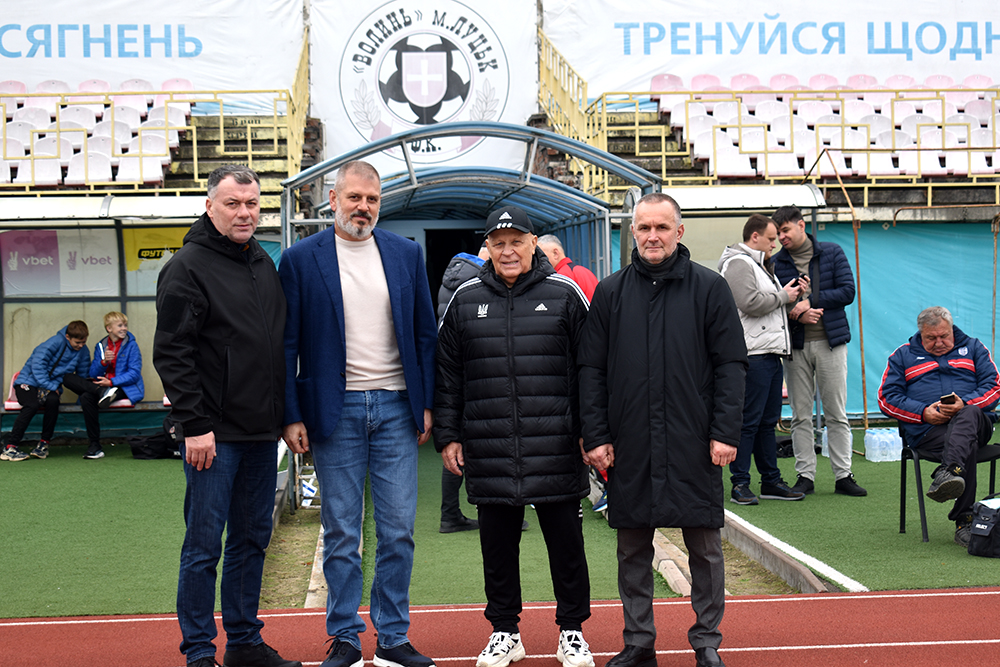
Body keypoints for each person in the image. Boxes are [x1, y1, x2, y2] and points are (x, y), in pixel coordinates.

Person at [279, 160, 437, 667]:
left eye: (372, 199)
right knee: (342, 532)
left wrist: (425, 403)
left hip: (396, 407)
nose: (363, 207)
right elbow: (286, 345)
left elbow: (424, 334)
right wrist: (291, 414)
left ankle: (392, 637)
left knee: (398, 531)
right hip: (335, 410)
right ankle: (345, 636)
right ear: (333, 199)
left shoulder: (406, 253)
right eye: (354, 198)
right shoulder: (300, 259)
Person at [579, 193, 747, 667]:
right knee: (632, 548)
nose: (653, 236)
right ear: (632, 232)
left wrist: (725, 432)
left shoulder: (710, 288)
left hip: (693, 441)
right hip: (630, 442)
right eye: (644, 227)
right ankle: (638, 643)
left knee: (705, 548)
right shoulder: (610, 292)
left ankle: (707, 642)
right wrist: (597, 435)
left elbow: (731, 365)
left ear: (679, 231)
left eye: (662, 227)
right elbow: (591, 370)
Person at [435, 206, 594, 667]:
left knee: (567, 546)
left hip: (556, 444)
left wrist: (591, 431)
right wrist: (449, 435)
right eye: (498, 243)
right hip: (490, 446)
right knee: (498, 549)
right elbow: (447, 376)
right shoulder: (464, 299)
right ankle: (505, 632)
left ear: (533, 244)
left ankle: (572, 632)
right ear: (487, 247)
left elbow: (590, 369)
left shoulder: (565, 294)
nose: (508, 251)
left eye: (516, 242)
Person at [154, 165, 298, 667]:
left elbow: (273, 347)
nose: (244, 213)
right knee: (203, 547)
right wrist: (195, 425)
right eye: (233, 203)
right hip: (212, 436)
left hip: (261, 433)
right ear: (210, 205)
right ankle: (198, 652)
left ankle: (244, 643)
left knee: (252, 540)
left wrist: (283, 417)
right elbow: (172, 353)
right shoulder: (186, 267)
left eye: (252, 204)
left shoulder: (261, 261)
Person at [877, 306, 1000, 547]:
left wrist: (965, 403)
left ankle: (948, 471)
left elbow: (994, 387)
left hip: (977, 423)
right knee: (966, 444)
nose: (939, 343)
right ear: (920, 334)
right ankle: (964, 520)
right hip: (930, 432)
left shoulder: (974, 348)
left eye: (944, 336)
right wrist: (923, 413)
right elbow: (886, 398)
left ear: (952, 330)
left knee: (969, 413)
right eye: (931, 338)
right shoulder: (902, 356)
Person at [771, 205, 866, 497]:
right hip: (796, 346)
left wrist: (811, 302)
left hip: (830, 342)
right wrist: (797, 314)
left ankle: (843, 475)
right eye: (778, 233)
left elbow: (848, 292)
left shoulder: (832, 252)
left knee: (836, 412)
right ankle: (805, 476)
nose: (781, 237)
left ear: (801, 225)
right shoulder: (775, 262)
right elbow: (773, 305)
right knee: (800, 414)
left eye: (785, 230)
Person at [718, 214, 805, 505]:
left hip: (768, 353)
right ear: (754, 237)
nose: (775, 244)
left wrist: (789, 296)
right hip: (753, 355)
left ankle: (770, 481)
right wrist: (783, 296)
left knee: (767, 422)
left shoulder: (757, 263)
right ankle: (740, 483)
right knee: (749, 423)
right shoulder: (739, 263)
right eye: (770, 238)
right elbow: (749, 303)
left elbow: (764, 305)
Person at [1, 320, 112, 461]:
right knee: (32, 405)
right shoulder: (54, 342)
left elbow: (82, 376)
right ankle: (10, 447)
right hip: (27, 383)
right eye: (77, 342)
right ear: (67, 337)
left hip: (49, 387)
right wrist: (51, 386)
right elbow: (37, 366)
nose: (81, 345)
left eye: (83, 342)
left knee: (53, 401)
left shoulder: (83, 351)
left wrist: (83, 396)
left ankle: (43, 445)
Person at [436, 243, 488, 534]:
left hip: (454, 370)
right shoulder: (478, 281)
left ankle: (450, 513)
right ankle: (493, 511)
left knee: (456, 442)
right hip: (476, 369)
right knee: (480, 442)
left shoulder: (451, 277)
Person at [88, 311, 145, 409]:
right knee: (86, 397)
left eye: (125, 325)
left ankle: (111, 394)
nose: (124, 328)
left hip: (124, 387)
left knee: (115, 391)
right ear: (109, 328)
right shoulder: (101, 346)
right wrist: (104, 362)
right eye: (120, 325)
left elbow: (134, 373)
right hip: (104, 386)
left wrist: (111, 382)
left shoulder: (132, 345)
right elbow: (93, 374)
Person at [538, 234, 599, 302]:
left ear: (555, 253)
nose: (537, 260)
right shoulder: (585, 271)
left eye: (540, 255)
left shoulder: (561, 276)